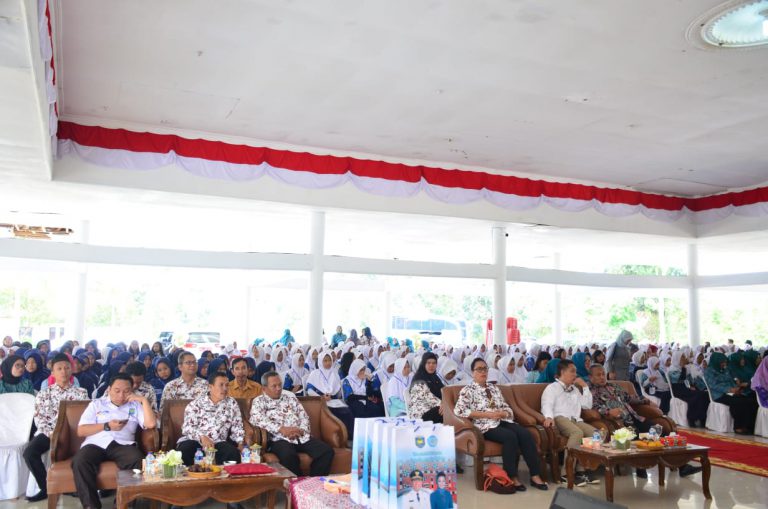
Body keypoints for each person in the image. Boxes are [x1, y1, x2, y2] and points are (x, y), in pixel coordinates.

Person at [587, 364, 702, 479]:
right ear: (591, 377)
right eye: (598, 375)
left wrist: (647, 401)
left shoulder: (613, 386)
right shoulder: (591, 391)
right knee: (638, 435)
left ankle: (682, 466)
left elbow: (630, 398)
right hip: (619, 423)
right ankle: (641, 467)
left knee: (660, 431)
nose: (602, 377)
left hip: (634, 417)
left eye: (603, 374)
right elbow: (593, 407)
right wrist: (608, 411)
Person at [454, 358, 547, 492]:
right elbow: (459, 411)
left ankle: (535, 475)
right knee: (510, 437)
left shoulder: (494, 388)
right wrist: (487, 414)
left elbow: (506, 407)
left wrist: (504, 413)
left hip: (502, 420)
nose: (483, 372)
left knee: (525, 433)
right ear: (472, 372)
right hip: (484, 425)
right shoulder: (467, 390)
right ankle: (512, 476)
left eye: (485, 369)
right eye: (479, 369)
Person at [72, 373, 156, 509]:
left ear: (132, 391)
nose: (121, 395)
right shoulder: (96, 404)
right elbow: (81, 431)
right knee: (80, 461)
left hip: (123, 444)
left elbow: (151, 424)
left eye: (126, 391)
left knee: (137, 460)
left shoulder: (135, 405)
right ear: (109, 389)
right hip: (95, 443)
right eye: (117, 391)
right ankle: (91, 506)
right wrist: (107, 426)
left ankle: (122, 505)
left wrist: (143, 401)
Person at [24, 354, 89, 502]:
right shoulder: (44, 393)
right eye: (59, 369)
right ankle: (46, 488)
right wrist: (52, 434)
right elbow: (39, 418)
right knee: (29, 453)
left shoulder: (81, 392)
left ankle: (73, 487)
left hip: (74, 434)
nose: (63, 371)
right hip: (50, 432)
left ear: (71, 370)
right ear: (52, 372)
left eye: (67, 368)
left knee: (83, 454)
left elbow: (85, 416)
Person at [250, 371, 334, 476]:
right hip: (279, 439)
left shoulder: (290, 398)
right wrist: (281, 429)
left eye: (280, 385)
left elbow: (303, 416)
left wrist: (301, 430)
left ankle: (313, 481)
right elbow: (256, 419)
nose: (278, 388)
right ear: (264, 388)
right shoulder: (259, 401)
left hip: (300, 436)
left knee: (326, 451)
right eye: (274, 386)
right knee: (288, 455)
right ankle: (296, 483)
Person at [541, 359, 599, 487]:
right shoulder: (552, 388)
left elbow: (587, 405)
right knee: (577, 433)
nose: (575, 375)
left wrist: (585, 387)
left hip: (575, 419)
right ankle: (566, 472)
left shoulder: (574, 389)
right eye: (572, 371)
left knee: (595, 434)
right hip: (560, 418)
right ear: (562, 372)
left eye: (575, 372)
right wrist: (548, 417)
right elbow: (547, 404)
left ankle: (582, 469)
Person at [177, 371, 245, 465]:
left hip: (218, 443)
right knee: (183, 451)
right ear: (210, 387)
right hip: (196, 441)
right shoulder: (196, 404)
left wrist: (240, 443)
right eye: (221, 385)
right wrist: (202, 437)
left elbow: (237, 425)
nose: (225, 388)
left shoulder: (231, 403)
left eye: (227, 385)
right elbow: (187, 427)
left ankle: (222, 475)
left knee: (232, 453)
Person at [704, 352, 758, 434]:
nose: (724, 364)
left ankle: (749, 426)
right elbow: (713, 385)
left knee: (749, 400)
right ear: (716, 361)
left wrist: (736, 388)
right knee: (738, 402)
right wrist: (729, 390)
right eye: (722, 362)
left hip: (731, 392)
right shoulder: (709, 371)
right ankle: (738, 427)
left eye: (725, 362)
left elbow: (731, 380)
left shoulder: (724, 369)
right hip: (719, 395)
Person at [305, 350, 354, 438]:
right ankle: (332, 435)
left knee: (347, 411)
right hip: (320, 400)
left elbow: (338, 391)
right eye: (325, 360)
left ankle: (346, 435)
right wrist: (321, 397)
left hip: (333, 400)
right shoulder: (315, 373)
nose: (328, 363)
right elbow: (309, 391)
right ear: (320, 361)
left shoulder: (334, 373)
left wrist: (338, 395)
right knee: (330, 412)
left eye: (330, 360)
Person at [666, 350, 709, 428]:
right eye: (682, 357)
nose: (684, 358)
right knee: (697, 396)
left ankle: (703, 418)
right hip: (678, 390)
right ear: (677, 358)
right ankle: (692, 418)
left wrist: (690, 386)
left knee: (704, 394)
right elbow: (677, 380)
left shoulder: (684, 368)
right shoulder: (672, 370)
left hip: (685, 388)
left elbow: (688, 380)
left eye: (683, 357)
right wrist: (683, 368)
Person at [159, 351, 208, 417]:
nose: (192, 365)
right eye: (188, 362)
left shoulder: (206, 385)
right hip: (177, 422)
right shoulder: (171, 386)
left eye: (194, 362)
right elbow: (164, 412)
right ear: (180, 366)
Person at [408, 353, 443, 422]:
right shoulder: (419, 378)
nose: (431, 365)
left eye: (434, 363)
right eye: (428, 363)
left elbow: (443, 390)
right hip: (421, 412)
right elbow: (428, 398)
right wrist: (445, 405)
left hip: (434, 407)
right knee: (445, 412)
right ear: (424, 364)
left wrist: (446, 402)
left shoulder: (435, 377)